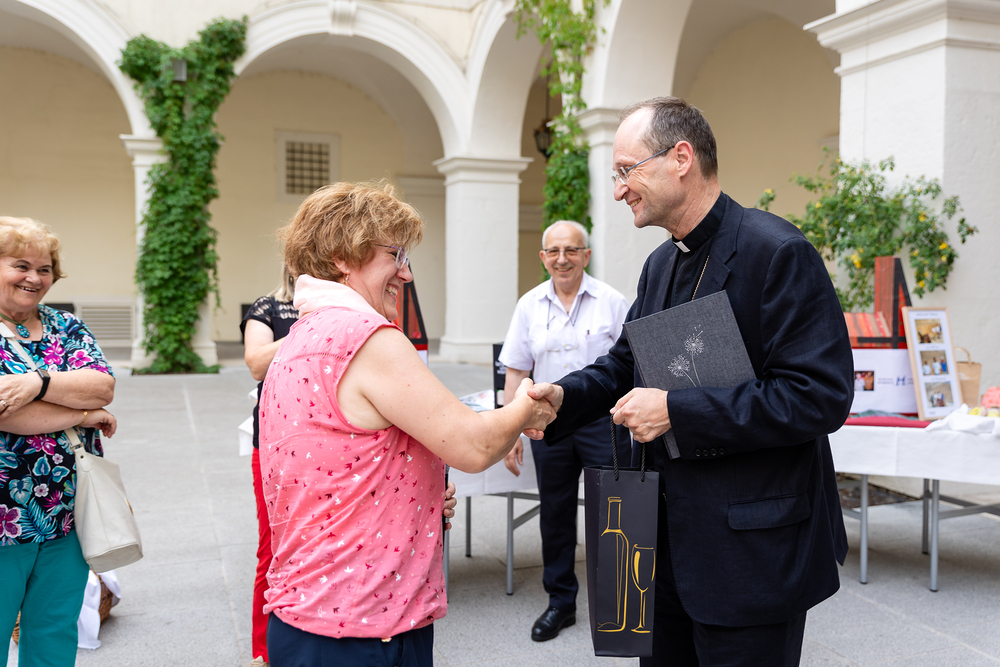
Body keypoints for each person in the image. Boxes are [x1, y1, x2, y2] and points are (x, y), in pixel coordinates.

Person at [527, 98, 853, 666]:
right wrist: (561, 397)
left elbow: (817, 397)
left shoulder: (777, 252)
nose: (618, 190)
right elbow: (623, 364)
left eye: (627, 171)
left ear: (681, 158)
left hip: (749, 554)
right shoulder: (660, 265)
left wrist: (676, 410)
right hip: (658, 550)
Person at [258, 182, 555, 667]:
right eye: (394, 254)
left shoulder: (295, 341)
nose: (406, 272)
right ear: (341, 257)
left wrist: (418, 493)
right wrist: (525, 405)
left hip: (306, 618)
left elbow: (331, 472)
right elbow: (475, 446)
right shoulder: (366, 335)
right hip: (364, 628)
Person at [498, 220, 629, 642]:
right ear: (543, 257)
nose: (562, 259)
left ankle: (617, 606)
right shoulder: (529, 305)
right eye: (554, 251)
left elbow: (633, 364)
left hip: (604, 423)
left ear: (586, 255)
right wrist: (510, 430)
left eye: (571, 250)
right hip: (548, 426)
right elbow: (517, 370)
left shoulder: (612, 302)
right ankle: (561, 602)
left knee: (613, 513)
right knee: (555, 513)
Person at [0, 216, 118, 666]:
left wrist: (37, 382)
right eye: (20, 266)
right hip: (5, 516)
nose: (34, 278)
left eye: (44, 269)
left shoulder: (65, 325)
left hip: (67, 512)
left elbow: (101, 386)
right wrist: (85, 415)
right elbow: (8, 414)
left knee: (54, 629)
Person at [241, 266, 300, 667]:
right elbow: (257, 364)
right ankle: (264, 652)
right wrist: (312, 325)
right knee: (273, 547)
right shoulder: (269, 307)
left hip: (331, 443)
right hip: (275, 443)